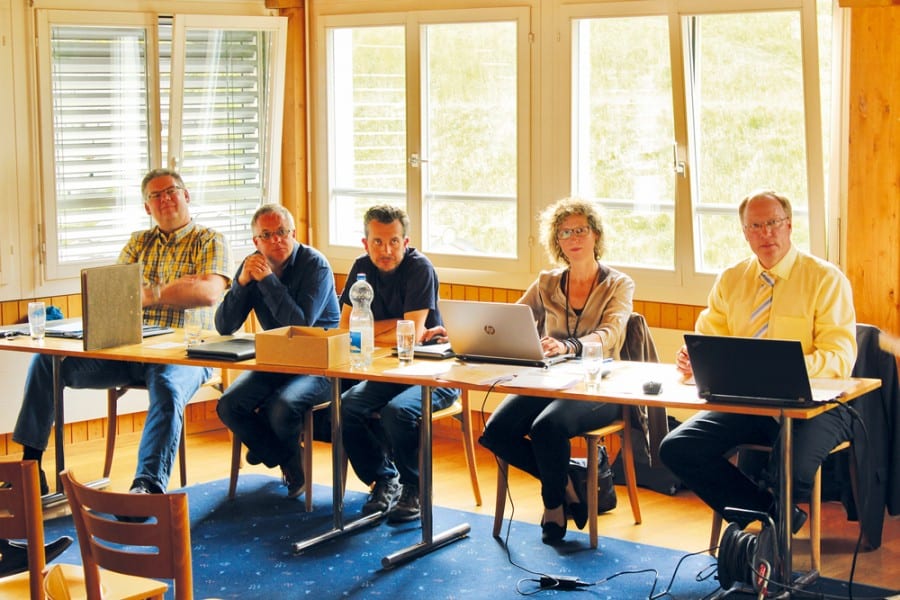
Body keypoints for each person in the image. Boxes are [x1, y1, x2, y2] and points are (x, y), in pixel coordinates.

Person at [13, 168, 232, 502]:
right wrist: (176, 288)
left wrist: (151, 293)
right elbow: (115, 294)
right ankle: (29, 470)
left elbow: (207, 292)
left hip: (188, 352)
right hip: (131, 350)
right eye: (156, 196)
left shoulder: (210, 239)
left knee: (167, 386)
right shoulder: (138, 242)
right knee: (48, 362)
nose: (165, 199)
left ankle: (147, 486)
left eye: (171, 191)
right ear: (147, 207)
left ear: (186, 195)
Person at [659, 189, 857, 533]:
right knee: (677, 447)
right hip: (749, 402)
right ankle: (769, 517)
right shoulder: (732, 279)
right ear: (745, 233)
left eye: (773, 223)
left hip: (817, 404)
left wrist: (779, 368)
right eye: (755, 226)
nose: (766, 233)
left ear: (789, 225)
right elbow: (709, 340)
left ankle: (767, 537)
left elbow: (839, 358)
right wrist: (694, 360)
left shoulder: (825, 279)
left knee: (790, 469)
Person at [477, 197, 635, 545]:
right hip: (549, 379)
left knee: (546, 428)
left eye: (580, 230)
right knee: (495, 433)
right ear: (557, 241)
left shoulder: (619, 284)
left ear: (595, 234)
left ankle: (553, 507)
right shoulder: (547, 281)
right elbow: (512, 320)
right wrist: (470, 332)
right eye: (565, 232)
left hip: (600, 385)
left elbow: (610, 333)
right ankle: (567, 484)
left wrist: (569, 346)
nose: (573, 238)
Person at [339, 205, 459, 523]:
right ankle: (383, 479)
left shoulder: (420, 269)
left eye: (394, 241)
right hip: (389, 370)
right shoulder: (361, 268)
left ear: (405, 241)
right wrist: (393, 327)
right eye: (377, 242)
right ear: (365, 243)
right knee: (346, 406)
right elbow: (345, 330)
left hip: (434, 373)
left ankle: (414, 488)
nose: (386, 250)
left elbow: (412, 334)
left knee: (398, 412)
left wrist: (368, 327)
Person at [214, 204, 340, 499]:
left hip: (321, 362)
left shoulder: (315, 265)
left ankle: (271, 451)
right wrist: (241, 284)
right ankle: (283, 456)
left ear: (293, 233)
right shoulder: (251, 266)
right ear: (256, 241)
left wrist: (268, 281)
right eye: (267, 235)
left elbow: (299, 324)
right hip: (277, 360)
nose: (276, 240)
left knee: (282, 406)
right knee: (229, 405)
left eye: (282, 232)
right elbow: (224, 326)